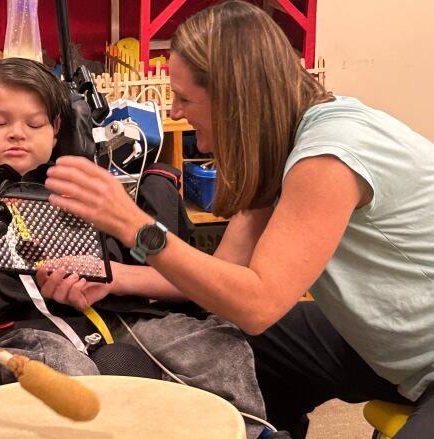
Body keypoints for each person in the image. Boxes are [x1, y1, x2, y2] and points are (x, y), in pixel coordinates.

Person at [39, 2, 434, 438]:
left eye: (186, 98)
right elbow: (224, 280)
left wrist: (134, 225)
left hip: (419, 351)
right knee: (214, 348)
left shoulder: (330, 155)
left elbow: (257, 305)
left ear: (235, 99)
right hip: (393, 341)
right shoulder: (285, 137)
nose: (173, 112)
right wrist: (117, 277)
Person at [0, 57, 269, 438]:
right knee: (59, 369)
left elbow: (140, 256)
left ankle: (252, 431)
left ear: (56, 130)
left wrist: (109, 273)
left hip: (118, 316)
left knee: (215, 343)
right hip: (19, 331)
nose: (17, 134)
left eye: (34, 123)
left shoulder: (86, 190)